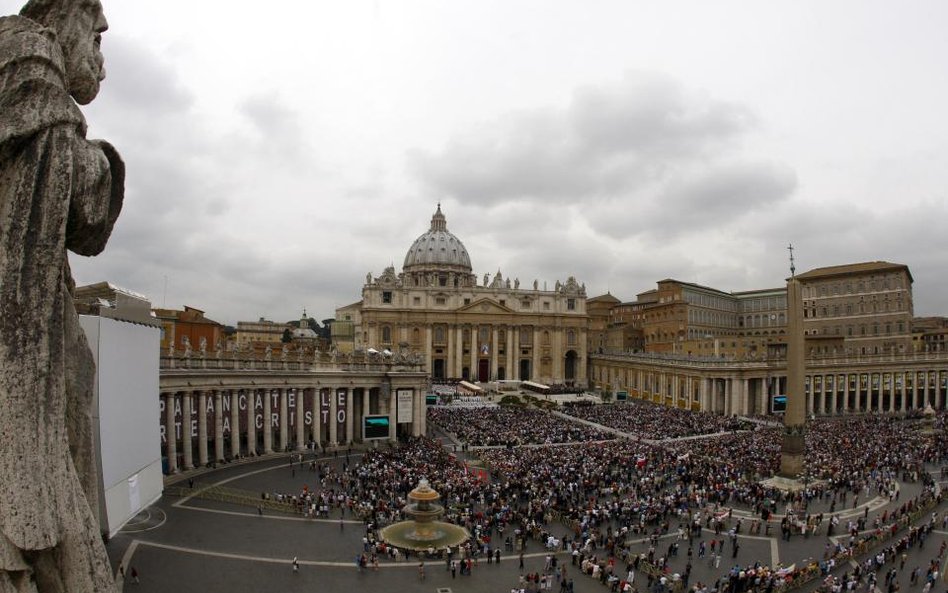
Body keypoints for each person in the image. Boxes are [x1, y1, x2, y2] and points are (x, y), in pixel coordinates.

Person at [0, 1, 123, 589]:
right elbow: (85, 212)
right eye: (98, 40)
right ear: (71, 17)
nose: (101, 61)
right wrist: (99, 159)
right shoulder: (29, 59)